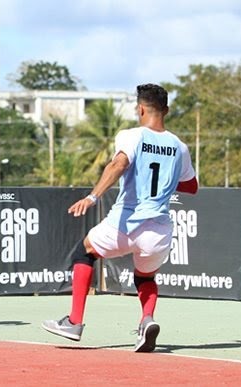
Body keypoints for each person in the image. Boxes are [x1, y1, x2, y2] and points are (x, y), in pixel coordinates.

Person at [42, 83, 198, 352]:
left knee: (84, 252)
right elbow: (191, 186)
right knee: (145, 278)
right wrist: (167, 180)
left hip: (125, 224)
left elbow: (118, 164)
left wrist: (92, 197)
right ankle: (146, 320)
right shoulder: (179, 147)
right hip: (159, 231)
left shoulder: (131, 136)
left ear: (140, 109)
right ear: (167, 110)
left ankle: (74, 322)